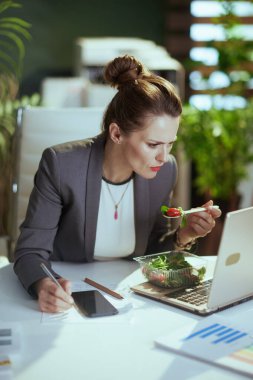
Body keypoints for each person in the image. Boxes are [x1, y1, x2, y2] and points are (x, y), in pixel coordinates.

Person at [13, 55, 221, 313]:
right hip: (70, 293)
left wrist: (184, 235)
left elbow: (154, 250)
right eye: (153, 144)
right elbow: (29, 252)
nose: (163, 156)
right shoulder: (61, 165)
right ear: (117, 133)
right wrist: (43, 285)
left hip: (125, 298)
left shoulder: (165, 170)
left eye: (170, 143)